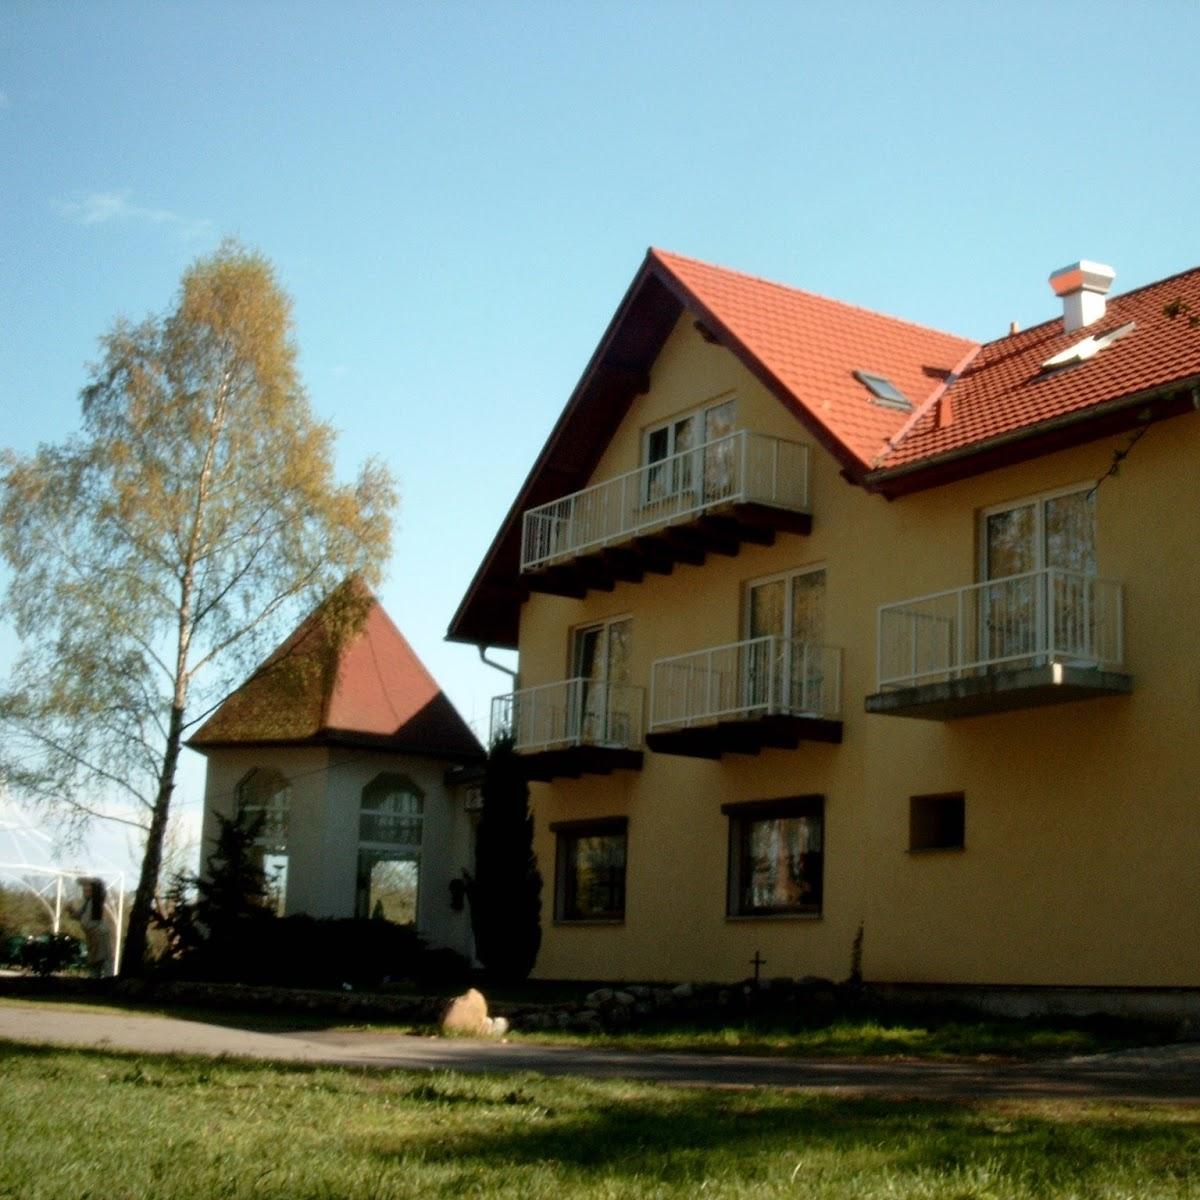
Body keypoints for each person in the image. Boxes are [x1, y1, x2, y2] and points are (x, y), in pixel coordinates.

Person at [71, 877, 113, 977]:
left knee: (103, 959)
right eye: (84, 890)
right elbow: (79, 915)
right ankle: (95, 979)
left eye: (87, 890)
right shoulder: (87, 903)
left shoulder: (95, 902)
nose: (84, 892)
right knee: (95, 960)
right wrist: (71, 910)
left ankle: (108, 979)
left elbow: (85, 921)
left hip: (98, 933)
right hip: (92, 935)